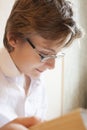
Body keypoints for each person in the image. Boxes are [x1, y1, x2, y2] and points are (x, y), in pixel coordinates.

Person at [0, 0, 82, 129]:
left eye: (55, 55)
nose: (52, 65)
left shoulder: (37, 80)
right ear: (14, 38)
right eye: (44, 54)